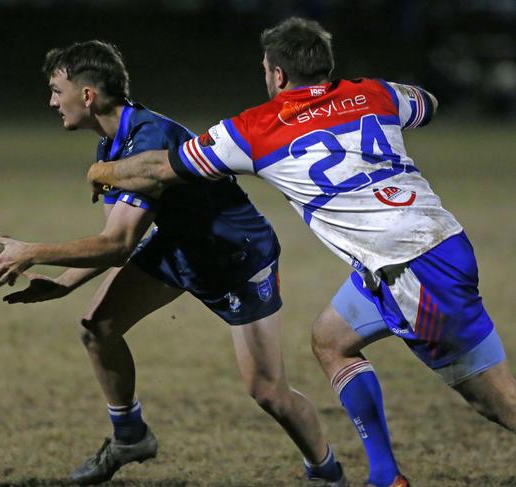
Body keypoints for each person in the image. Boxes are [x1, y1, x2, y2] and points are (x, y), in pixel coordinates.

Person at [85, 17, 516, 487]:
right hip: (432, 245)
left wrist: (102, 171)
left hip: (412, 269)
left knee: (497, 402)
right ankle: (385, 476)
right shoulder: (374, 93)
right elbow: (427, 103)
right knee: (332, 339)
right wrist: (370, 95)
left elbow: (159, 169)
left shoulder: (255, 128)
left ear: (277, 75)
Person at [0, 40, 347, 486]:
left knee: (268, 391)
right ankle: (130, 436)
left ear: (87, 94)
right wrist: (64, 283)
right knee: (99, 328)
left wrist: (30, 250)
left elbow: (116, 244)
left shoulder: (147, 138)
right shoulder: (111, 148)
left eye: (58, 90)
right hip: (179, 248)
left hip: (236, 258)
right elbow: (114, 242)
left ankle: (327, 473)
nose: (52, 101)